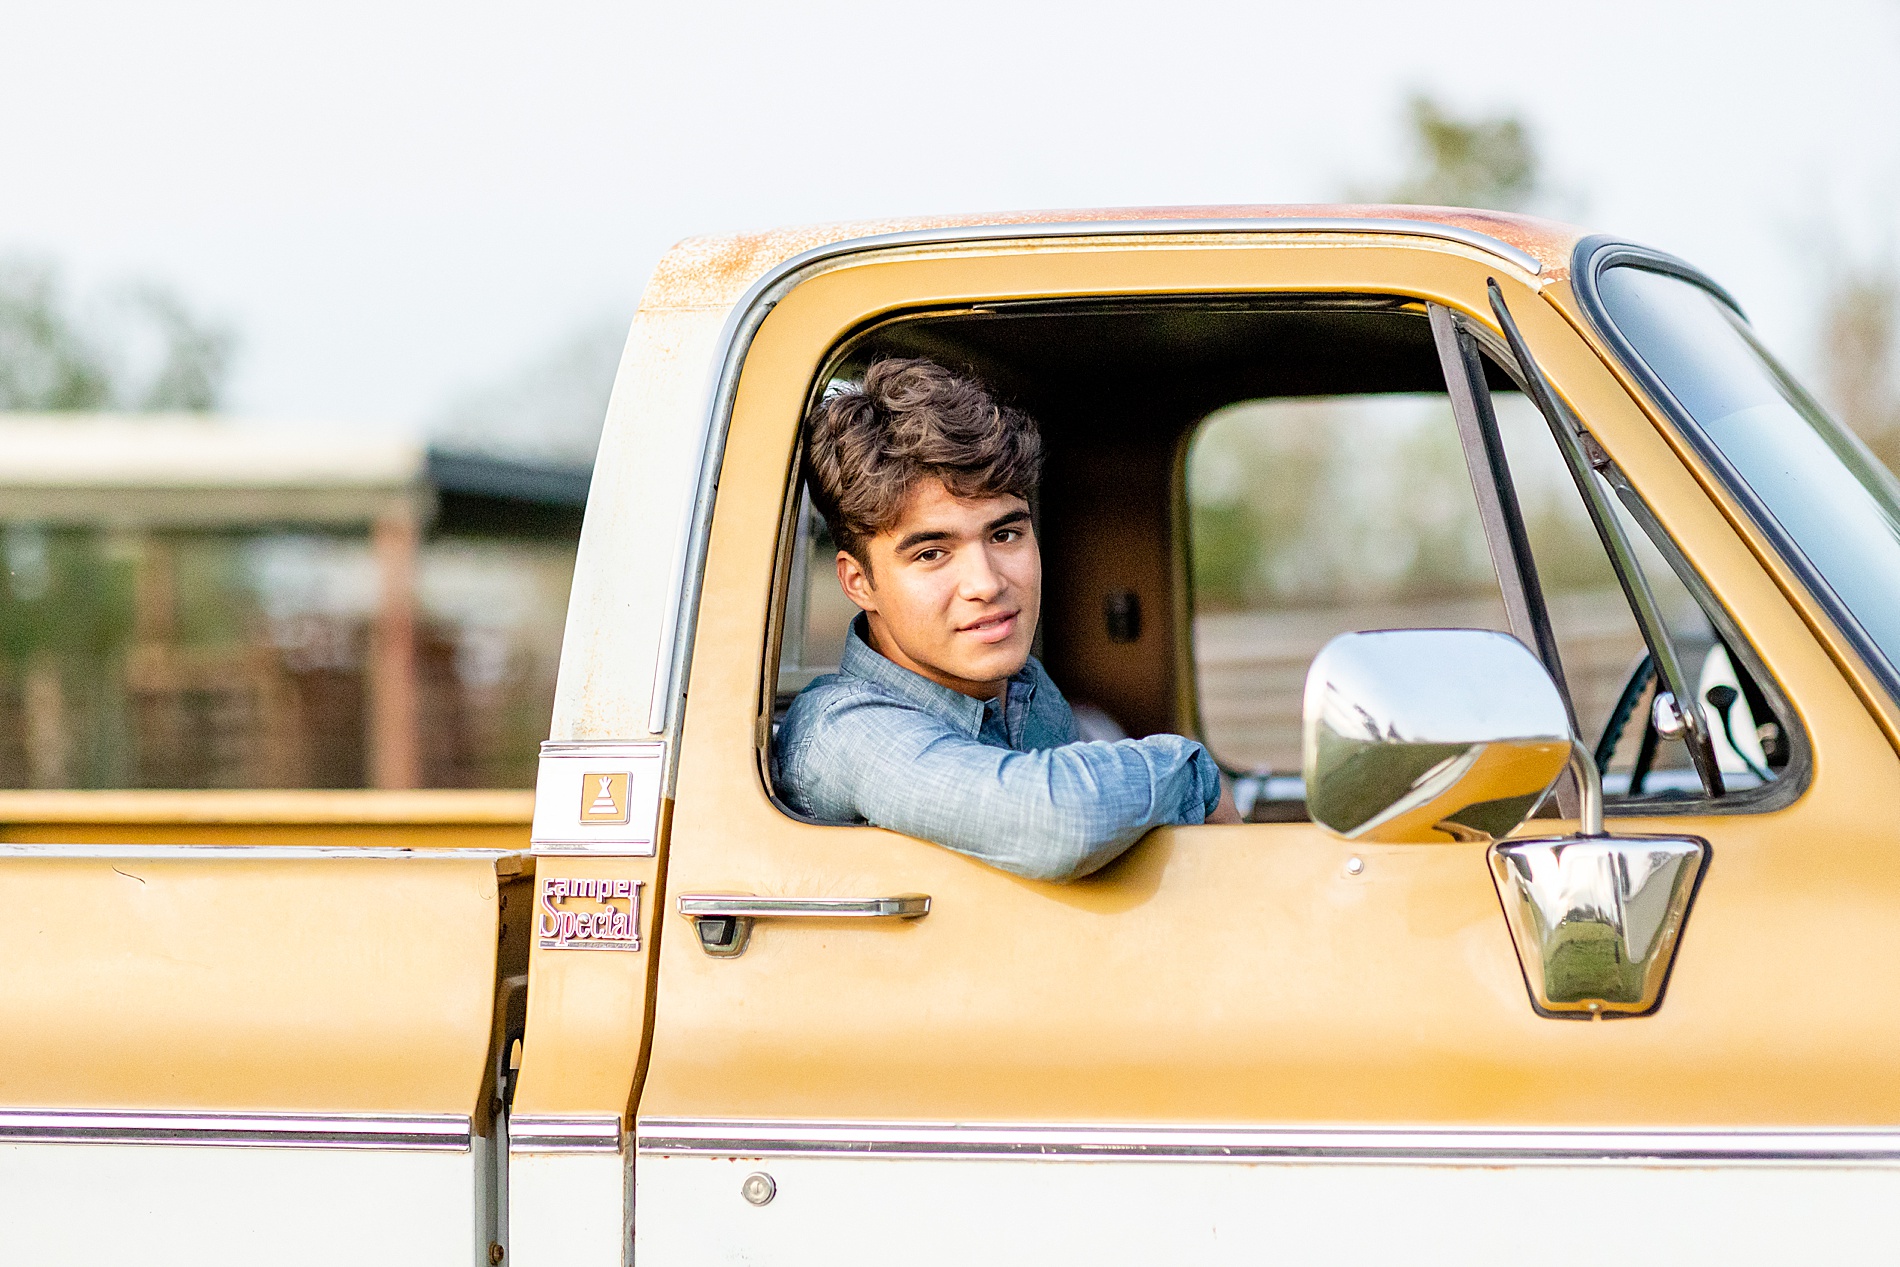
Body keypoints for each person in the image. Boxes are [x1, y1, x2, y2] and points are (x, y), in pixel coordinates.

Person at [774, 357, 1227, 882]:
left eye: (1004, 535)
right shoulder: (842, 731)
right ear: (860, 583)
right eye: (931, 554)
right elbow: (1057, 824)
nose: (986, 583)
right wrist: (1192, 772)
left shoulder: (1023, 690)